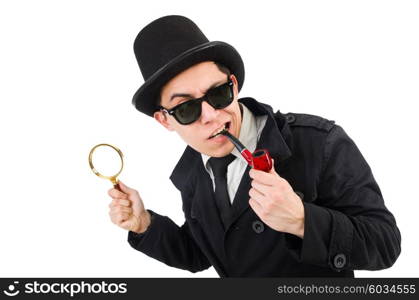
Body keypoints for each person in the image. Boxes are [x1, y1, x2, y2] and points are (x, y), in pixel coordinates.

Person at [107, 15, 401, 277]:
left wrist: (302, 220)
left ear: (233, 85)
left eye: (219, 93)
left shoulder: (318, 142)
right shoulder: (193, 172)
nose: (211, 116)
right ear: (165, 120)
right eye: (186, 109)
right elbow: (204, 253)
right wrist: (144, 224)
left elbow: (385, 244)